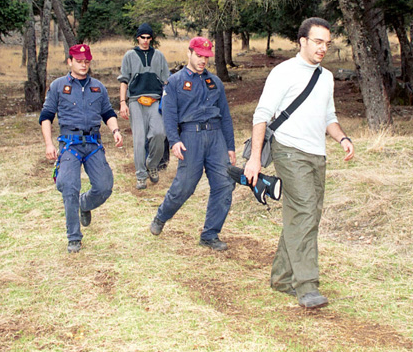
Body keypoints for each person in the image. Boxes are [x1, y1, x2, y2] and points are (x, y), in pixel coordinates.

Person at [244, 18, 354, 308]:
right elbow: (261, 115)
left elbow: (329, 117)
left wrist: (342, 139)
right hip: (289, 151)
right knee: (304, 211)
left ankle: (282, 277)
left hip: (317, 154)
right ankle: (307, 286)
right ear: (302, 41)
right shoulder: (284, 72)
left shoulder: (326, 77)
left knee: (306, 215)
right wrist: (254, 159)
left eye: (327, 43)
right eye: (318, 42)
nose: (323, 48)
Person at [149, 36, 236, 251]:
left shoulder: (215, 82)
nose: (202, 61)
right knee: (185, 186)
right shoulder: (175, 82)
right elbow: (169, 116)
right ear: (189, 53)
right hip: (190, 137)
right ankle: (162, 216)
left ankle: (210, 234)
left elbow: (225, 116)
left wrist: (230, 147)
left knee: (225, 184)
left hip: (216, 137)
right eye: (198, 56)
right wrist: (175, 141)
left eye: (206, 57)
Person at [40, 44, 123, 253]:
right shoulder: (58, 86)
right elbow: (46, 117)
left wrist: (115, 131)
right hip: (70, 144)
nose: (83, 65)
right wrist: (49, 144)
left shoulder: (98, 87)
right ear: (69, 62)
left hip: (93, 144)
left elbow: (108, 113)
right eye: (79, 61)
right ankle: (74, 237)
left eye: (86, 61)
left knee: (105, 187)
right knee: (69, 185)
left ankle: (83, 204)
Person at [118, 23, 170, 190]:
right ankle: (141, 175)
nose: (145, 41)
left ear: (151, 38)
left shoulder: (159, 56)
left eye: (148, 38)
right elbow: (124, 80)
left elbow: (166, 81)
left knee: (159, 133)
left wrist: (168, 102)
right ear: (137, 38)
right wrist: (122, 103)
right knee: (139, 139)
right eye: (142, 37)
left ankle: (152, 164)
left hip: (155, 100)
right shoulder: (129, 56)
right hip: (135, 100)